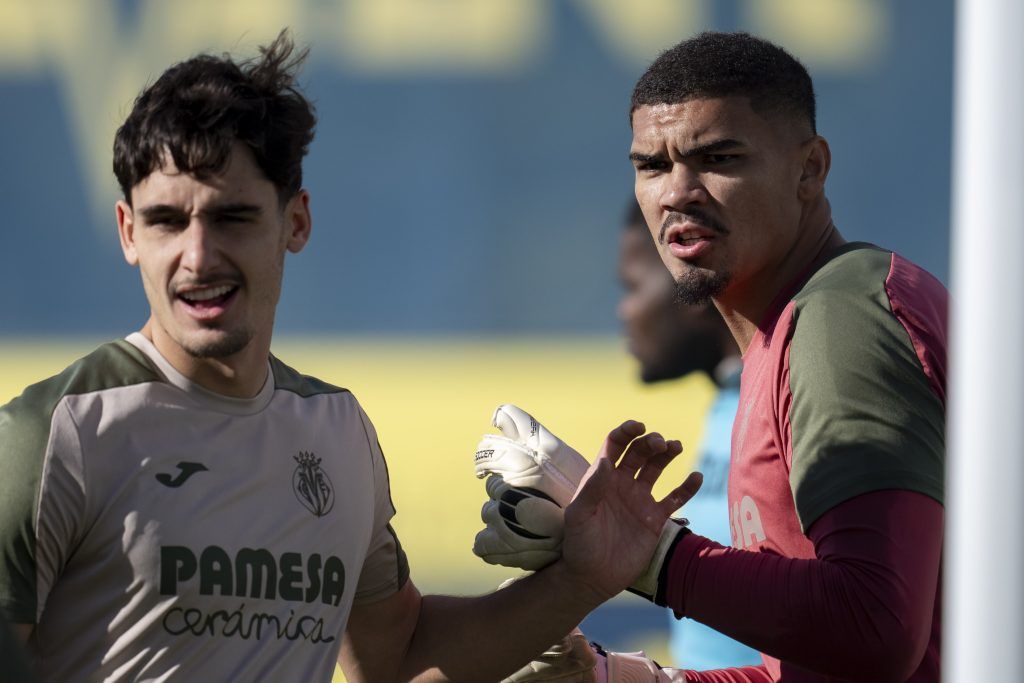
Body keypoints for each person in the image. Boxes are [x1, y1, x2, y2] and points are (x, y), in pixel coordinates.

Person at [0, 31, 703, 682]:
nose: (198, 255)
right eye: (166, 221)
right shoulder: (52, 437)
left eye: (231, 217)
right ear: (128, 232)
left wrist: (581, 578)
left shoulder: (335, 431)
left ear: (296, 220)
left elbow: (396, 656)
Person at [475, 31, 946, 682]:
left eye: (719, 158)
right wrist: (622, 679)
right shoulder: (785, 334)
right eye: (652, 166)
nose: (677, 192)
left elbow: (875, 627)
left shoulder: (841, 318)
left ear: (810, 169)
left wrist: (656, 559)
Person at [618, 202, 759, 670]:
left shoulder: (789, 403)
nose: (624, 311)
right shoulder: (728, 400)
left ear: (693, 287)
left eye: (631, 286)